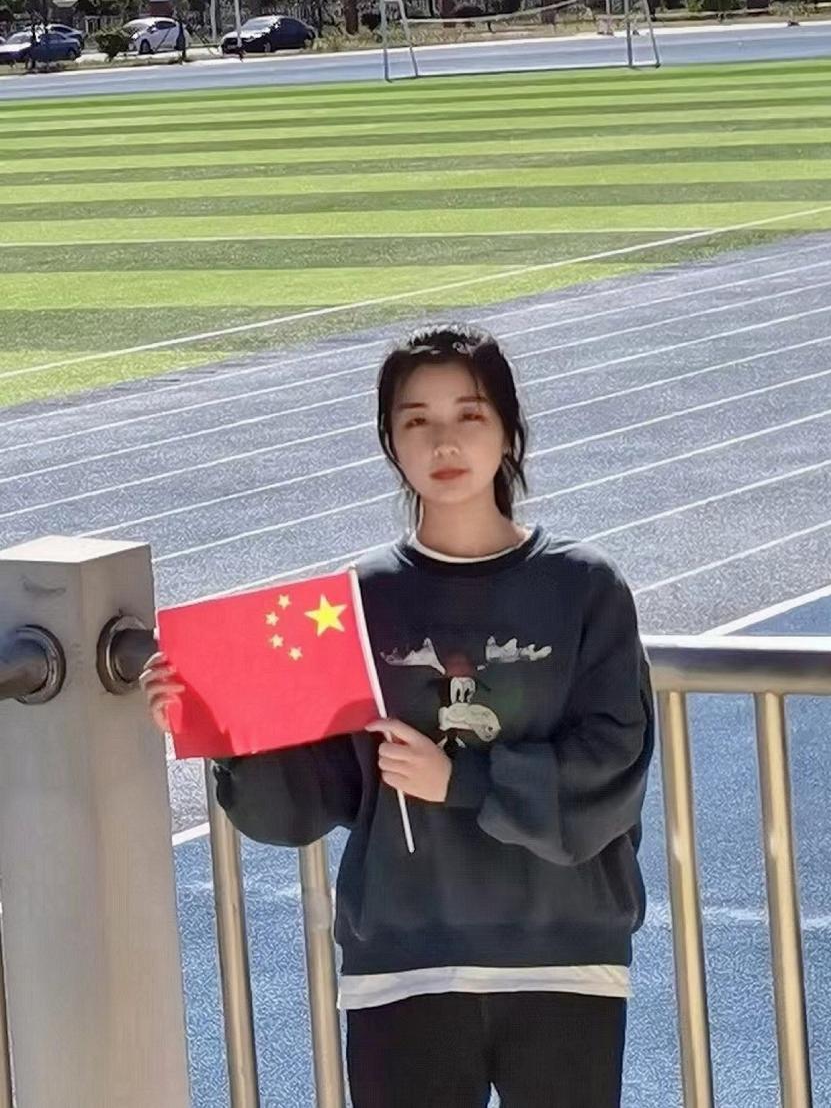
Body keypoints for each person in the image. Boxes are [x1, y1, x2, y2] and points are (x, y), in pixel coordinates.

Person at [142, 323, 655, 1108]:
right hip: (402, 967)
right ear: (390, 441)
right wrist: (220, 726)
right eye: (417, 420)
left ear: (509, 430)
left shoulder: (586, 587)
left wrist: (460, 780)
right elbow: (306, 802)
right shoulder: (359, 600)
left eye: (469, 414)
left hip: (564, 960)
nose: (443, 440)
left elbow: (611, 773)